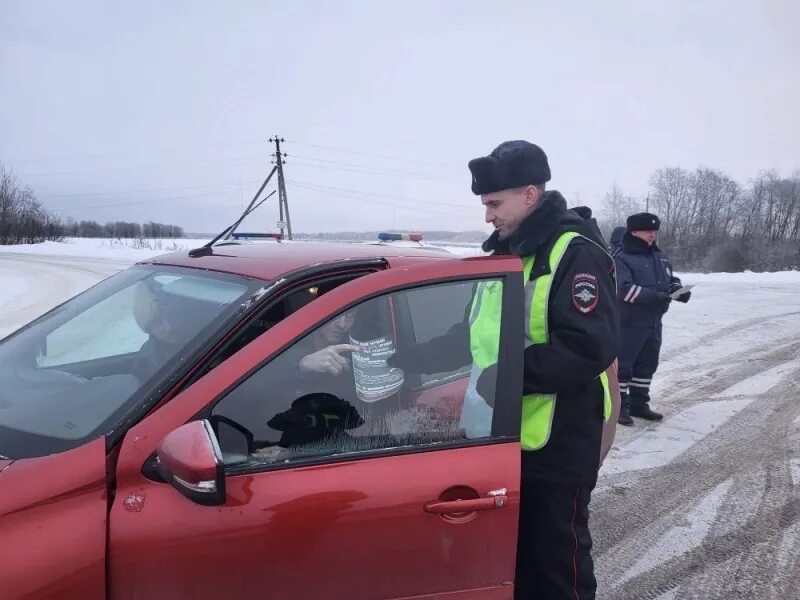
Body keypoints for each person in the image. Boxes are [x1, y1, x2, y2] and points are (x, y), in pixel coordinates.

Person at [390, 140, 618, 599]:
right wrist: (405, 357)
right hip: (502, 438)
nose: (487, 215)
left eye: (494, 203)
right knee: (515, 562)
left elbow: (588, 346)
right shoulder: (505, 256)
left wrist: (506, 377)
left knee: (558, 565)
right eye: (484, 205)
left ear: (529, 194)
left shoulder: (574, 253)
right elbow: (470, 333)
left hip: (558, 441)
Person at [614, 212, 690, 425]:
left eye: (654, 231)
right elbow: (622, 289)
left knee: (647, 364)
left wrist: (678, 289)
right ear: (634, 231)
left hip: (654, 321)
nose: (652, 235)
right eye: (648, 231)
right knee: (624, 366)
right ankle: (620, 407)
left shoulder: (659, 256)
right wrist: (652, 297)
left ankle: (640, 404)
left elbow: (669, 278)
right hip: (629, 322)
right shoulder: (622, 257)